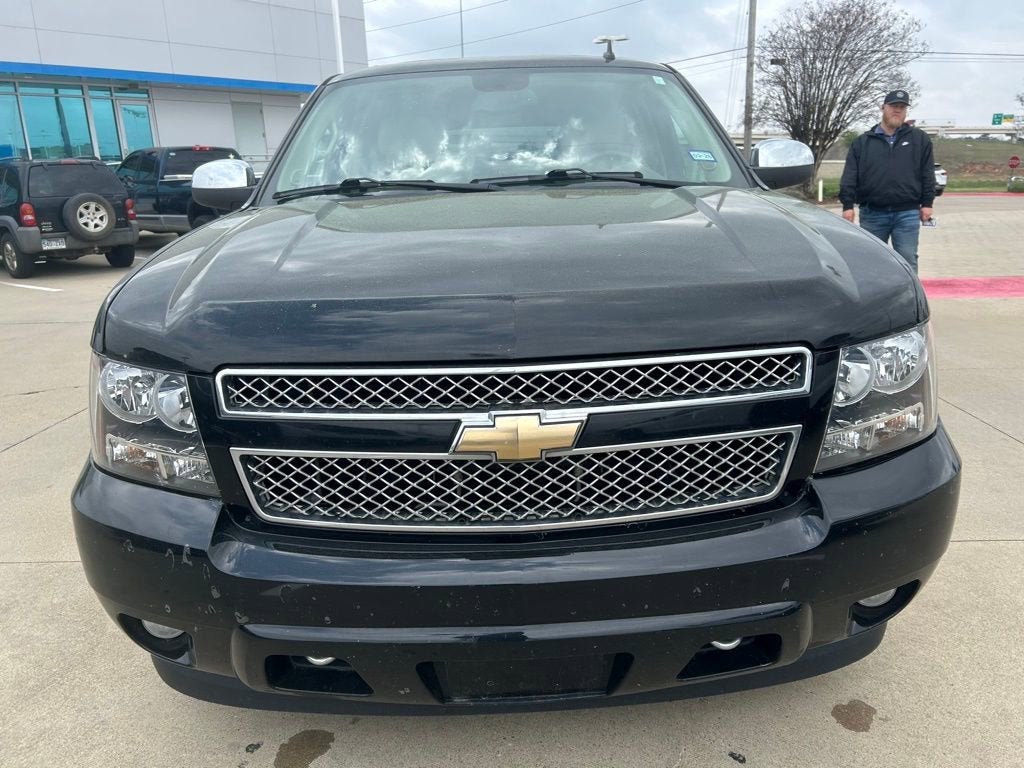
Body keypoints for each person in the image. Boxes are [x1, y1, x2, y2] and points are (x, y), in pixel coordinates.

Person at [839, 90, 935, 273]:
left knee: (908, 260)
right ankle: (874, 299)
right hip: (872, 213)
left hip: (907, 213)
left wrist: (927, 203)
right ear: (883, 108)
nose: (897, 111)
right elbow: (850, 174)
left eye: (902, 107)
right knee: (871, 262)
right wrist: (847, 205)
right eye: (893, 106)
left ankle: (907, 299)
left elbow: (927, 172)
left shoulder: (919, 140)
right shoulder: (863, 142)